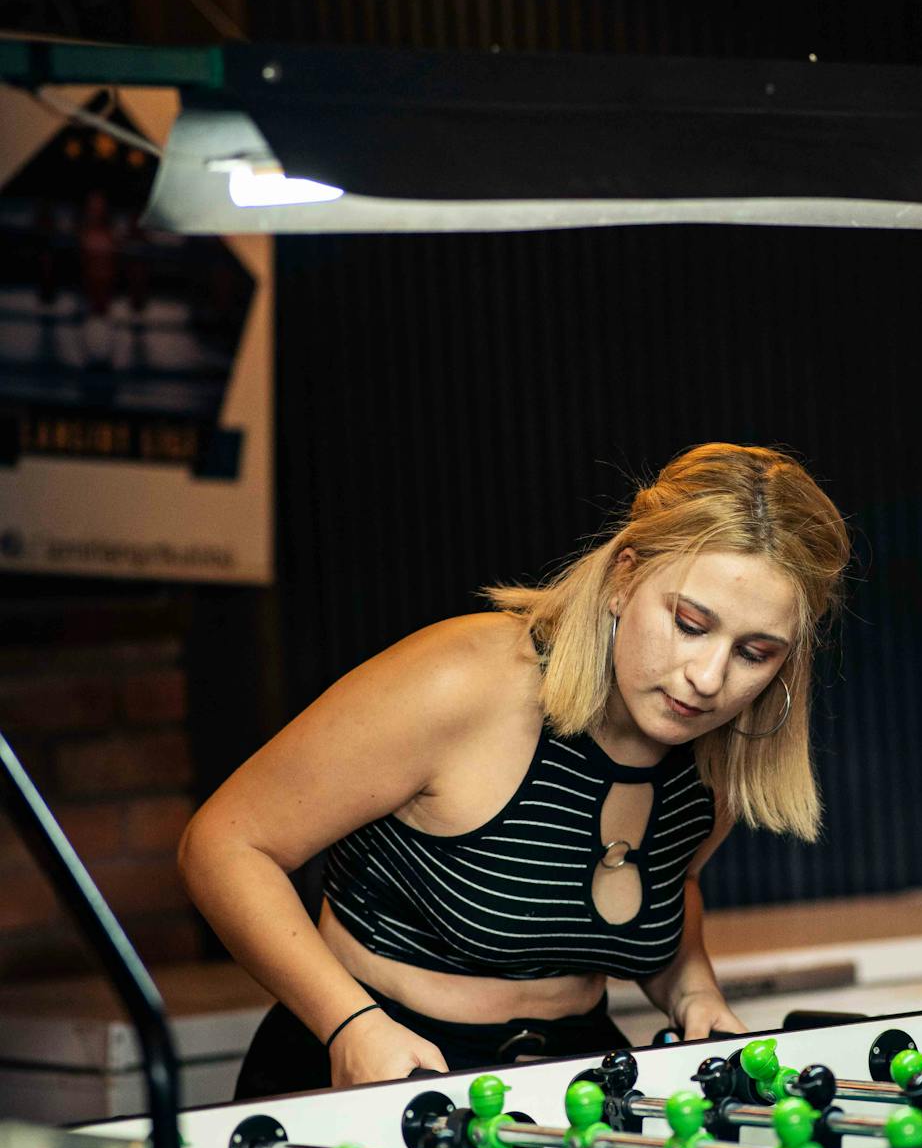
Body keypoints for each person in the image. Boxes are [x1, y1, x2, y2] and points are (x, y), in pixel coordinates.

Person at [178, 442, 850, 1096]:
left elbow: (674, 887)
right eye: (690, 623)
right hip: (375, 1063)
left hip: (577, 1082)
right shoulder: (463, 680)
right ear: (624, 578)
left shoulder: (721, 746)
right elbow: (224, 845)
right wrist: (349, 1025)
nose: (707, 678)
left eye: (755, 652)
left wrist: (693, 992)